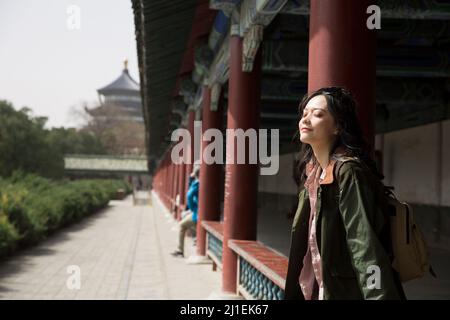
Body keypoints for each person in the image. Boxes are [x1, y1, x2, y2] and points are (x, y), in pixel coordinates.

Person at [284, 87, 406, 300]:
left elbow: (364, 244)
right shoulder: (313, 173)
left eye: (318, 114)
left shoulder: (348, 172)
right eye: (304, 113)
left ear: (338, 126)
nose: (306, 119)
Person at [171, 165, 200, 258]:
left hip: (197, 212)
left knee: (182, 225)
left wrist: (192, 209)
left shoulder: (198, 183)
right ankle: (196, 238)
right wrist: (191, 179)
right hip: (197, 212)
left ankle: (180, 250)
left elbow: (189, 195)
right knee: (186, 220)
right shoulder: (197, 182)